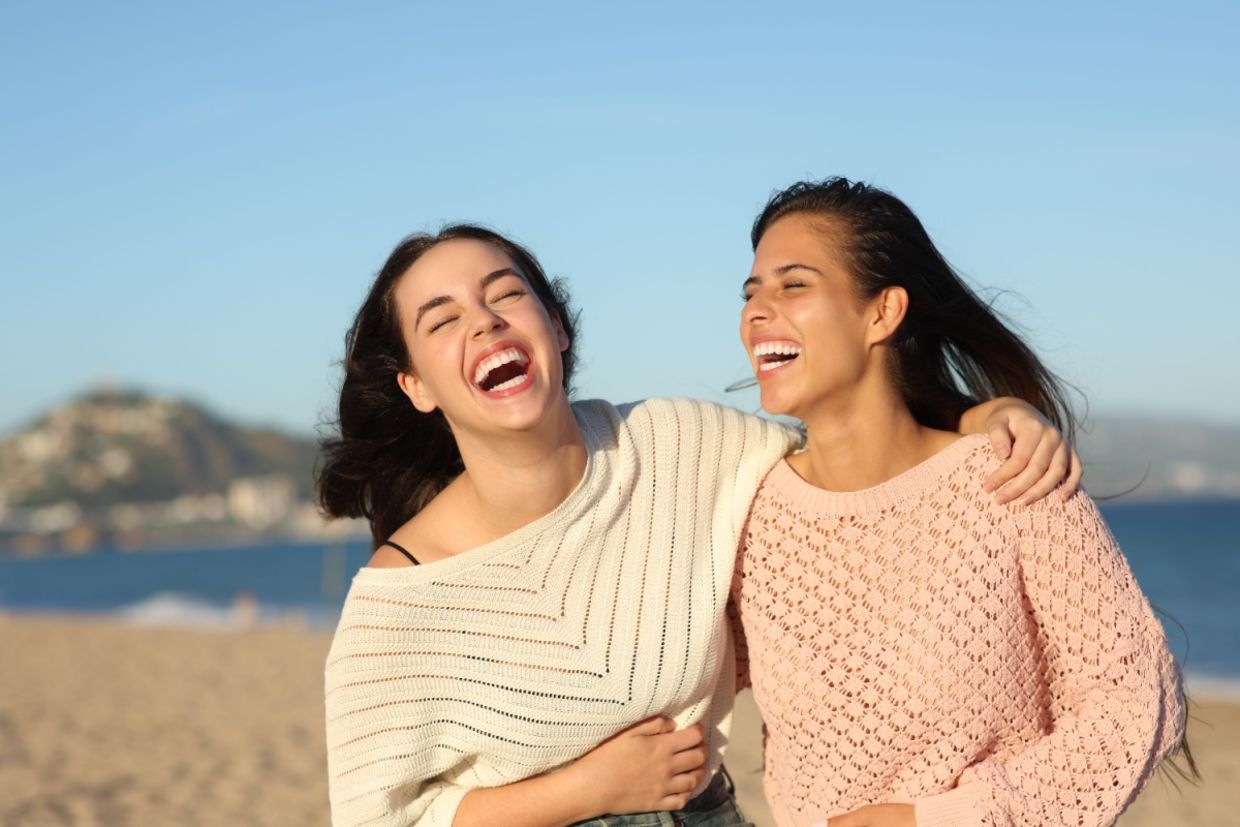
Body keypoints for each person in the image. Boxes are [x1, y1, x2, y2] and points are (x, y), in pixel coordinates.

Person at [318, 224, 1075, 827]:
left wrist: (982, 413)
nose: (483, 323)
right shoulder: (402, 595)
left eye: (504, 296)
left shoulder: (676, 444)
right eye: (442, 320)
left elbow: (847, 451)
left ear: (554, 326)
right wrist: (581, 790)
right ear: (416, 385)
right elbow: (378, 818)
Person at [730, 178, 1189, 827]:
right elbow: (666, 671)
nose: (757, 311)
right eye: (750, 292)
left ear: (883, 312)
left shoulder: (1011, 478)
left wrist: (938, 817)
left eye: (792, 284)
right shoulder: (748, 512)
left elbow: (1137, 703)